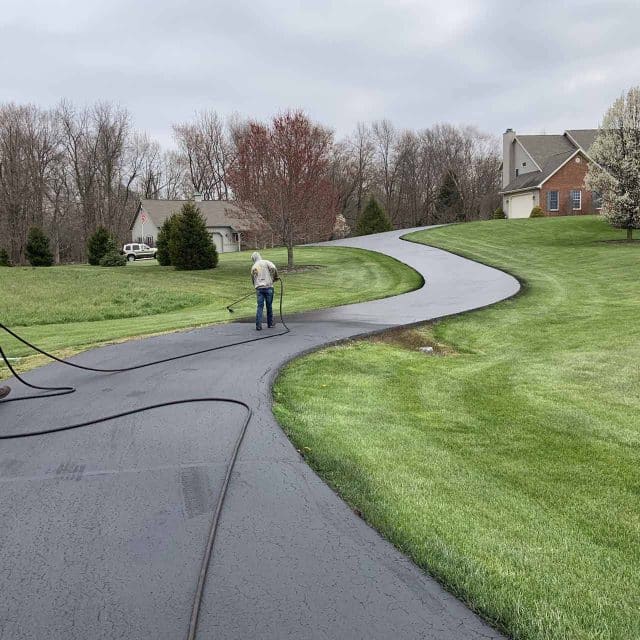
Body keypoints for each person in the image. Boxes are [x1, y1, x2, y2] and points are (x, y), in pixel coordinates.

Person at [251, 251, 279, 331]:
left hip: (259, 289)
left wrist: (256, 286)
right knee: (269, 306)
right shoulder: (266, 262)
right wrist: (275, 277)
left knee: (260, 307)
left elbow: (253, 279)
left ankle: (258, 325)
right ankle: (270, 324)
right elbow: (273, 267)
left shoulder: (253, 266)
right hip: (268, 287)